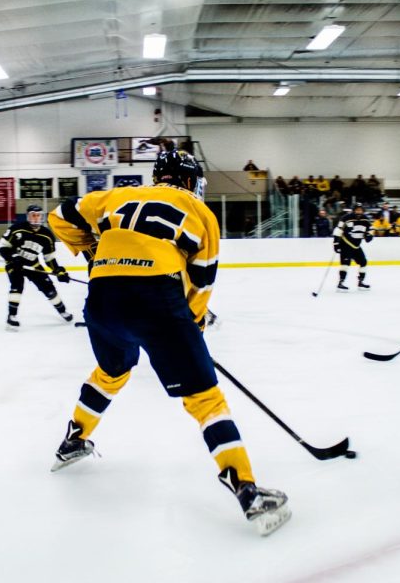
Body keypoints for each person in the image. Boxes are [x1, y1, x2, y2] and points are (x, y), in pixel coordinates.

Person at [46, 147, 290, 536]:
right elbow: (202, 281)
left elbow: (59, 217)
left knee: (111, 371)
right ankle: (246, 487)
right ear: (191, 180)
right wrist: (193, 327)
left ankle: (74, 439)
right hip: (157, 300)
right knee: (204, 398)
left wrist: (94, 254)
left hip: (103, 298)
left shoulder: (117, 195)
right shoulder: (201, 213)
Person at [0, 205, 73, 330]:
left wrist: (58, 271)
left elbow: (49, 259)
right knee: (17, 286)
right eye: (33, 215)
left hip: (33, 264)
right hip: (14, 264)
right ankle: (12, 316)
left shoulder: (47, 235)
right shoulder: (17, 229)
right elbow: (3, 247)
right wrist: (13, 257)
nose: (36, 218)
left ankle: (63, 311)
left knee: (49, 288)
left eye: (38, 215)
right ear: (28, 216)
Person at [333, 203, 372, 291]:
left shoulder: (365, 219)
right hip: (345, 244)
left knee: (363, 262)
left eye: (360, 210)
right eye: (357, 210)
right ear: (354, 210)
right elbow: (338, 229)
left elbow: (370, 230)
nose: (359, 211)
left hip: (356, 245)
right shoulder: (346, 218)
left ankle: (360, 282)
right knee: (345, 264)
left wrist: (369, 236)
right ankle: (341, 282)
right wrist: (336, 243)